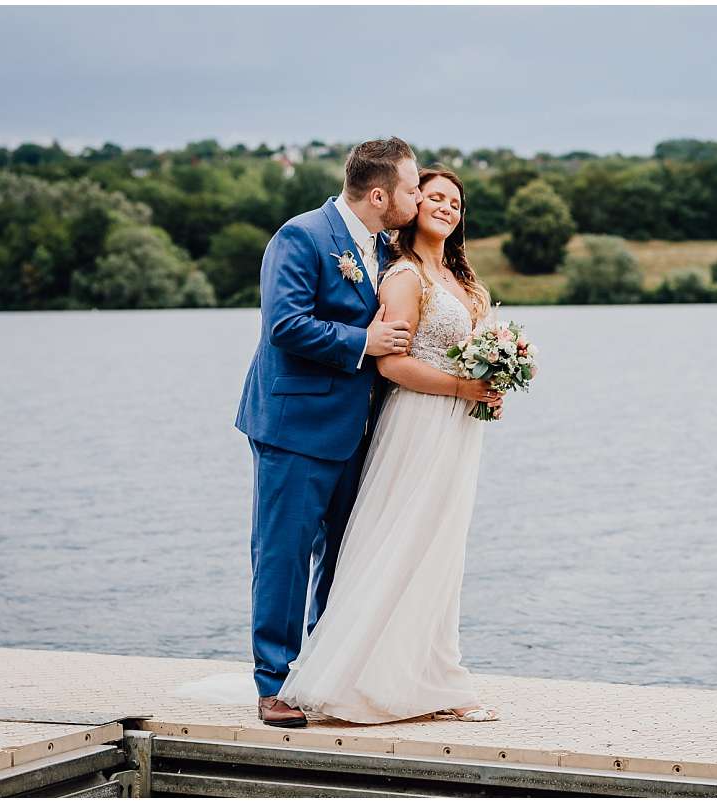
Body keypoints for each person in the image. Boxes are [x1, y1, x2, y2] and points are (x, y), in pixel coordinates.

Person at [274, 166, 503, 723]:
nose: (447, 207)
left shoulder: (463, 280)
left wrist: (497, 380)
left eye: (456, 200)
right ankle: (364, 677)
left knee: (441, 549)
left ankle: (433, 675)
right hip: (419, 423)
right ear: (412, 204)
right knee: (401, 540)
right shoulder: (403, 275)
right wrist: (460, 385)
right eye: (435, 197)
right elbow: (392, 362)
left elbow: (472, 353)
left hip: (458, 428)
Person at [233, 137, 422, 728]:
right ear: (378, 193)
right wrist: (360, 342)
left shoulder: (383, 247)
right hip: (294, 425)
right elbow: (285, 324)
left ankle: (322, 672)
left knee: (344, 557)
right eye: (411, 189)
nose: (416, 200)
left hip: (357, 430)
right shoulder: (301, 236)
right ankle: (274, 683)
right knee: (284, 556)